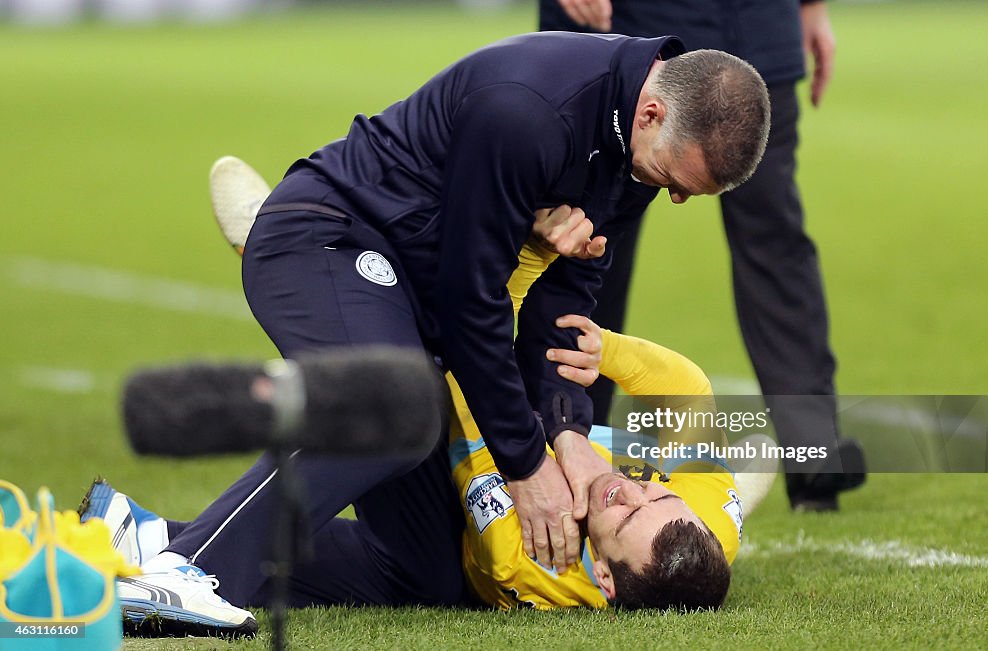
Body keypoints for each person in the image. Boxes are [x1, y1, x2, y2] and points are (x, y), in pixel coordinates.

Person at [97, 34, 771, 635]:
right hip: (329, 238)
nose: (673, 198)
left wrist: (567, 433)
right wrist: (527, 462)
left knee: (431, 569)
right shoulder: (530, 112)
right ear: (654, 112)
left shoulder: (637, 147)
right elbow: (469, 305)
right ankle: (187, 570)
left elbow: (564, 306)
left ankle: (142, 535)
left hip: (415, 293)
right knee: (395, 413)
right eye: (675, 183)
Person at [538, 0, 866, 511]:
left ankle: (813, 453)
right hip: (628, 34)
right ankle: (565, 436)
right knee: (584, 237)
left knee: (775, 237)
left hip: (757, 26)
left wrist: (811, 6)